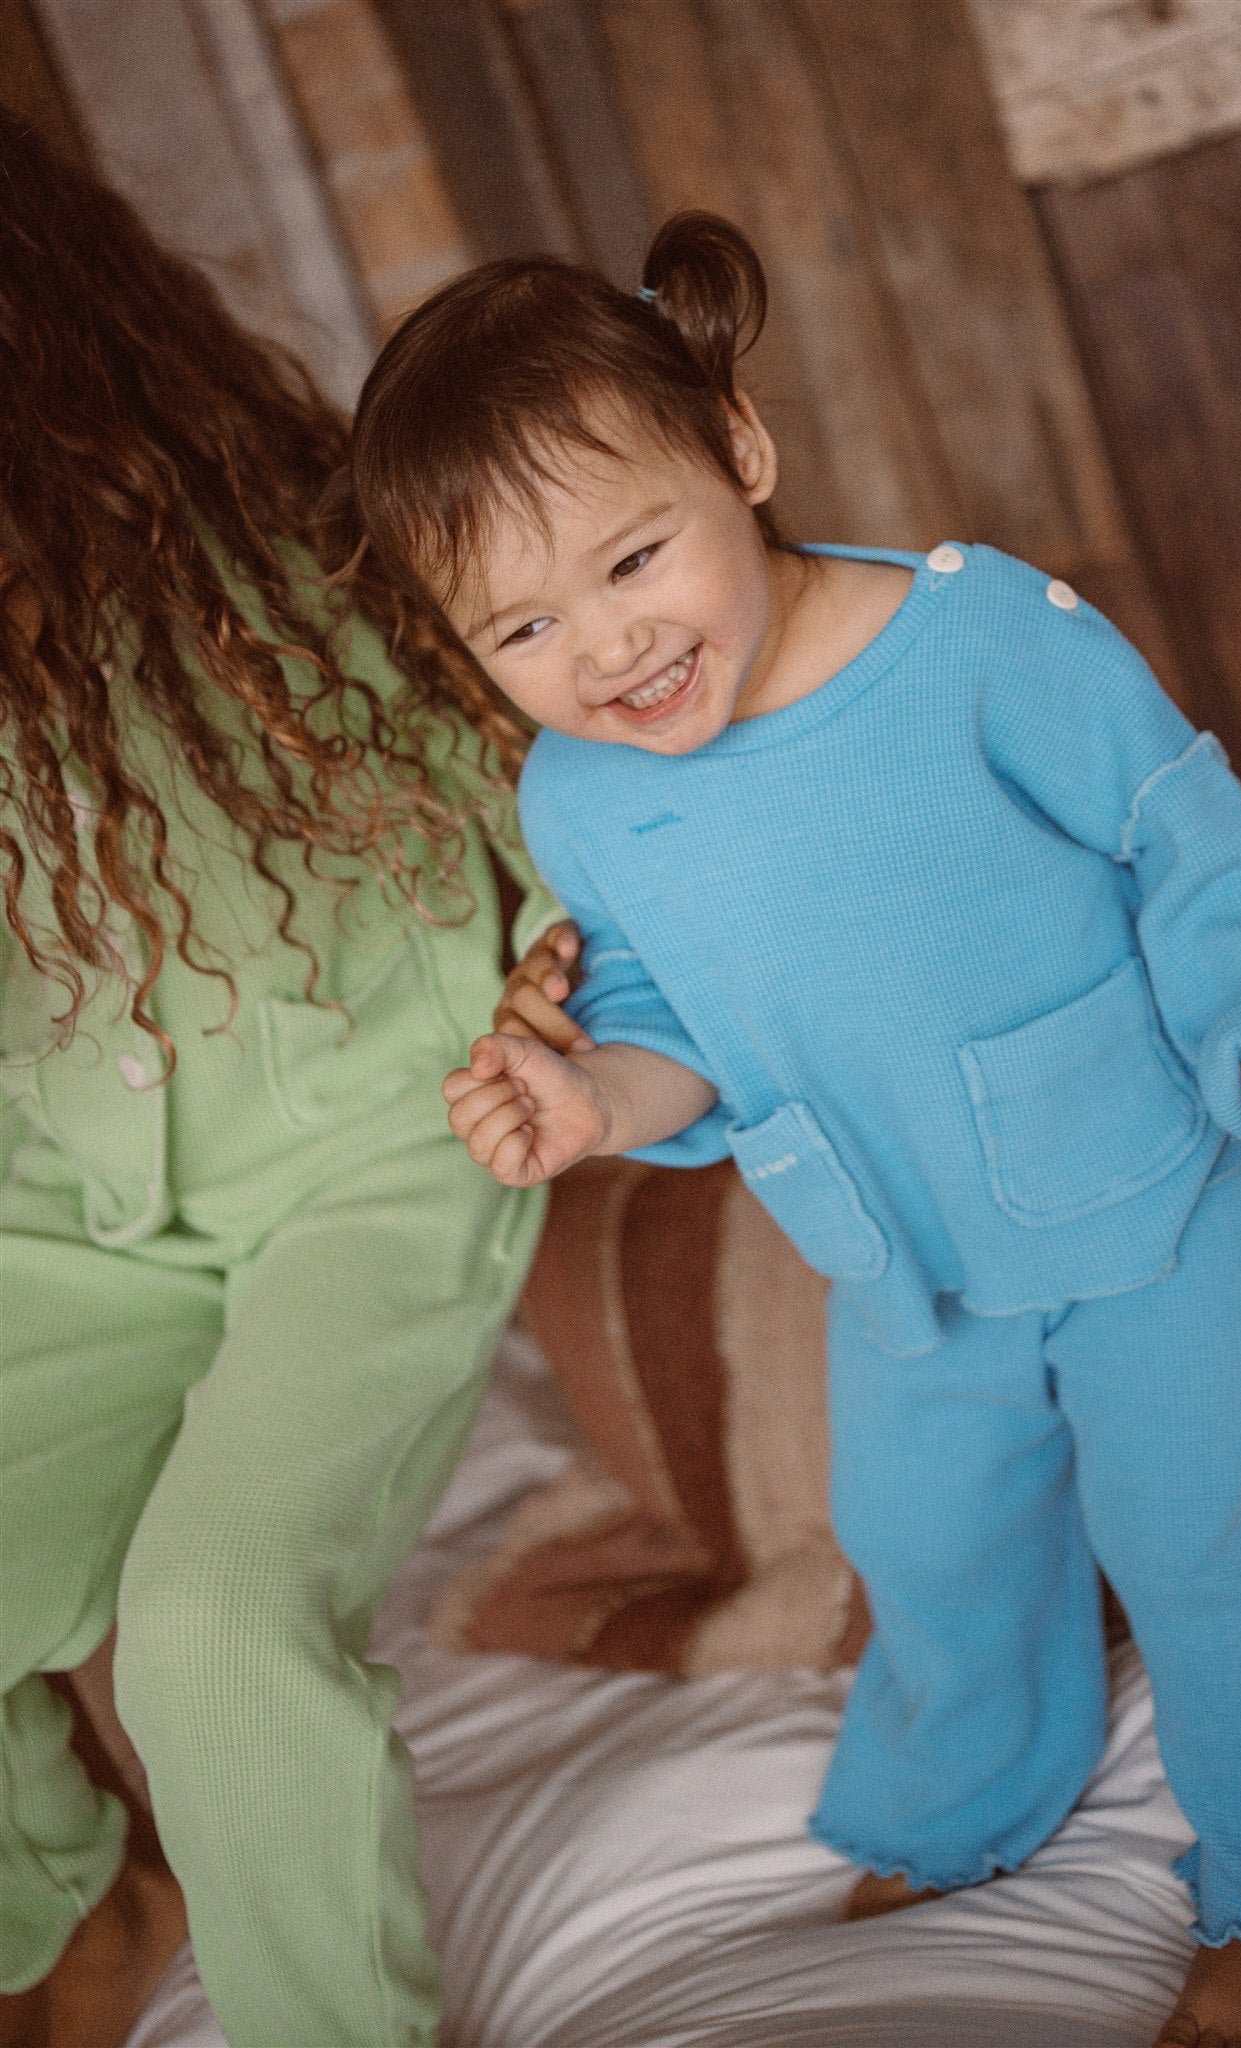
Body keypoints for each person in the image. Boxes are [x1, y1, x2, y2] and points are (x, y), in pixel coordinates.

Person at [350, 212, 1241, 2048]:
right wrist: (592, 1099)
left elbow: (1179, 832)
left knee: (1220, 1547)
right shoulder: (579, 805)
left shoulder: (976, 639)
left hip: (1146, 1194)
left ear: (739, 453)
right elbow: (671, 1027)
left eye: (635, 556)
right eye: (522, 625)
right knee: (929, 1542)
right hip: (897, 1256)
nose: (606, 647)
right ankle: (967, 1796)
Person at [0, 112, 570, 2048]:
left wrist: (577, 974)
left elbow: (568, 784)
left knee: (215, 1626)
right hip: (64, 1199)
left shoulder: (293, 543)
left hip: (371, 1155)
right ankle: (70, 1898)